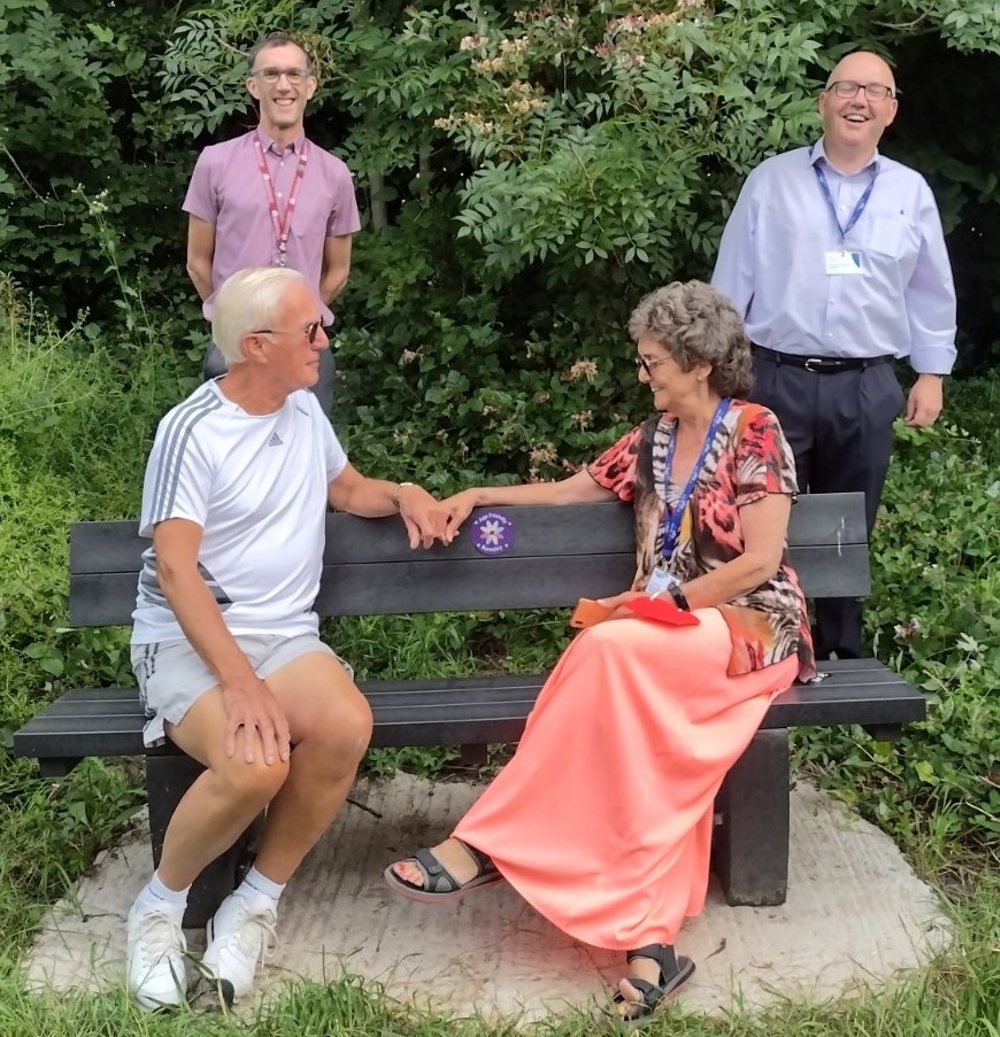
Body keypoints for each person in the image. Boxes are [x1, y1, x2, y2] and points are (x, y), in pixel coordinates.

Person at [384, 281, 817, 1024]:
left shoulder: (754, 429)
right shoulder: (649, 440)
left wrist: (664, 605)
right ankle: (653, 941)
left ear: (699, 360)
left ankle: (488, 841)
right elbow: (567, 490)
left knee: (608, 649)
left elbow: (759, 561)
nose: (643, 375)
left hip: (749, 626)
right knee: (641, 738)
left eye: (652, 361)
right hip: (658, 639)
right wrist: (479, 493)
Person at [125, 266, 445, 1011]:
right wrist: (241, 683)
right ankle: (159, 908)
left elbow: (347, 487)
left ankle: (253, 904)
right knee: (254, 763)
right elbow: (175, 570)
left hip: (284, 635)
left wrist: (403, 494)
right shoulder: (191, 430)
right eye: (311, 330)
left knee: (344, 724)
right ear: (256, 345)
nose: (325, 340)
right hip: (186, 638)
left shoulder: (303, 413)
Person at [711, 49, 957, 660]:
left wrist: (931, 372)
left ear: (891, 111)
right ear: (823, 101)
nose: (859, 100)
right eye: (846, 87)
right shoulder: (772, 180)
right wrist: (716, 372)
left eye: (876, 91)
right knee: (764, 519)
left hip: (868, 384)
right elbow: (731, 279)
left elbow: (931, 288)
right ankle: (766, 645)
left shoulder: (910, 191)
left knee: (851, 521)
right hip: (774, 378)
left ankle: (843, 650)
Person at [183, 30, 360, 417]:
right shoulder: (215, 163)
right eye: (271, 74)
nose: (284, 85)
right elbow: (197, 262)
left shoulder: (335, 175)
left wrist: (297, 323)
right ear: (253, 85)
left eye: (295, 74)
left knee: (306, 460)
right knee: (229, 459)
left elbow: (339, 270)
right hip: (234, 348)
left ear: (310, 86)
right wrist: (235, 322)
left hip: (306, 348)